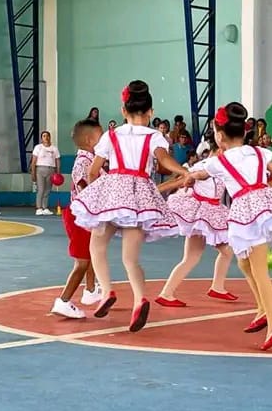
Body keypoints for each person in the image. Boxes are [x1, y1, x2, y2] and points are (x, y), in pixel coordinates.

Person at [185, 102, 272, 350]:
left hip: (247, 212)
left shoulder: (219, 162)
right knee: (244, 262)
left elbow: (200, 174)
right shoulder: (259, 153)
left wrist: (189, 178)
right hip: (264, 205)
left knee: (259, 269)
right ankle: (263, 310)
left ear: (219, 136)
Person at [70, 80, 188, 332]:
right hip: (139, 196)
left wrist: (99, 196)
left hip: (113, 190)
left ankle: (107, 291)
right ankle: (139, 299)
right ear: (151, 112)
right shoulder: (155, 136)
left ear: (123, 110)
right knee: (130, 258)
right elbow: (164, 159)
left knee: (97, 245)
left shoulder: (111, 135)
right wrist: (184, 171)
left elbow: (93, 171)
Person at [155, 141, 238, 308]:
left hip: (209, 212)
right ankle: (167, 293)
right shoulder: (205, 166)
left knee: (208, 254)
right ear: (220, 149)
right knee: (199, 256)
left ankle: (216, 287)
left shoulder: (219, 166)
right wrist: (153, 191)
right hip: (202, 213)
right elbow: (178, 181)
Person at [51, 119, 104, 319]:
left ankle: (90, 290)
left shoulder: (92, 160)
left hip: (84, 216)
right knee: (82, 262)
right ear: (90, 140)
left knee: (90, 253)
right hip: (79, 216)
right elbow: (85, 187)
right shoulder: (83, 162)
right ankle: (63, 301)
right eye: (100, 136)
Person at [30, 131, 61, 216]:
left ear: (50, 137)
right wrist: (33, 173)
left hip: (51, 170)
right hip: (40, 170)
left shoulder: (54, 149)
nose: (46, 137)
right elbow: (33, 161)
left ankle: (45, 207)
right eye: (44, 136)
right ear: (41, 138)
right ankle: (39, 208)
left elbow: (57, 160)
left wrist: (58, 172)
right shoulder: (38, 147)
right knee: (41, 189)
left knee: (47, 190)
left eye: (47, 136)